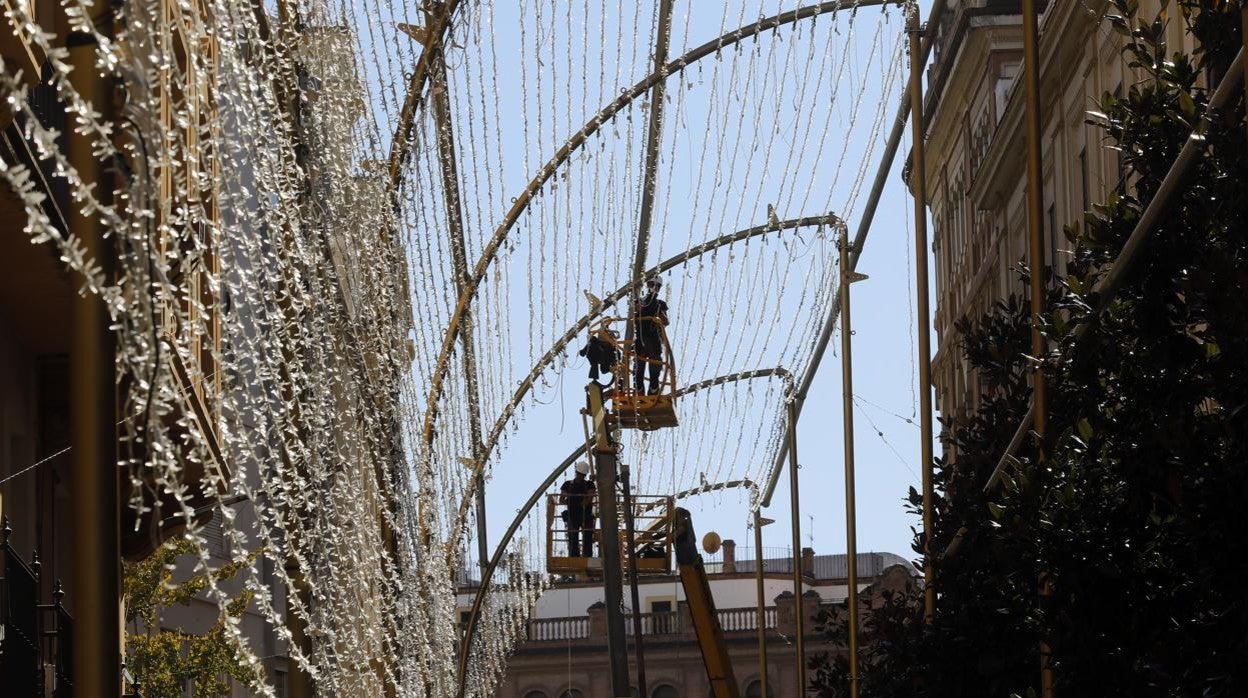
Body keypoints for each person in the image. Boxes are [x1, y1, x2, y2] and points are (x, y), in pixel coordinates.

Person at [631, 276, 669, 395]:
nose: (654, 287)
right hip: (641, 338)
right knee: (639, 367)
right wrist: (639, 307)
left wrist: (659, 316)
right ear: (648, 285)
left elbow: (666, 321)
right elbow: (633, 312)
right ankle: (639, 390)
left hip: (653, 338)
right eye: (652, 284)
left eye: (657, 285)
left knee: (655, 365)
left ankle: (653, 389)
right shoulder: (640, 301)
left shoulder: (660, 304)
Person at [559, 462, 596, 557]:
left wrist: (577, 503)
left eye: (582, 475)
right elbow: (561, 500)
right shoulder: (568, 485)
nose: (581, 476)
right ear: (576, 472)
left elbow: (589, 499)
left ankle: (586, 556)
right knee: (573, 538)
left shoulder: (589, 484)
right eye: (580, 474)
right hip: (573, 515)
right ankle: (574, 556)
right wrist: (568, 500)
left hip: (585, 514)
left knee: (587, 536)